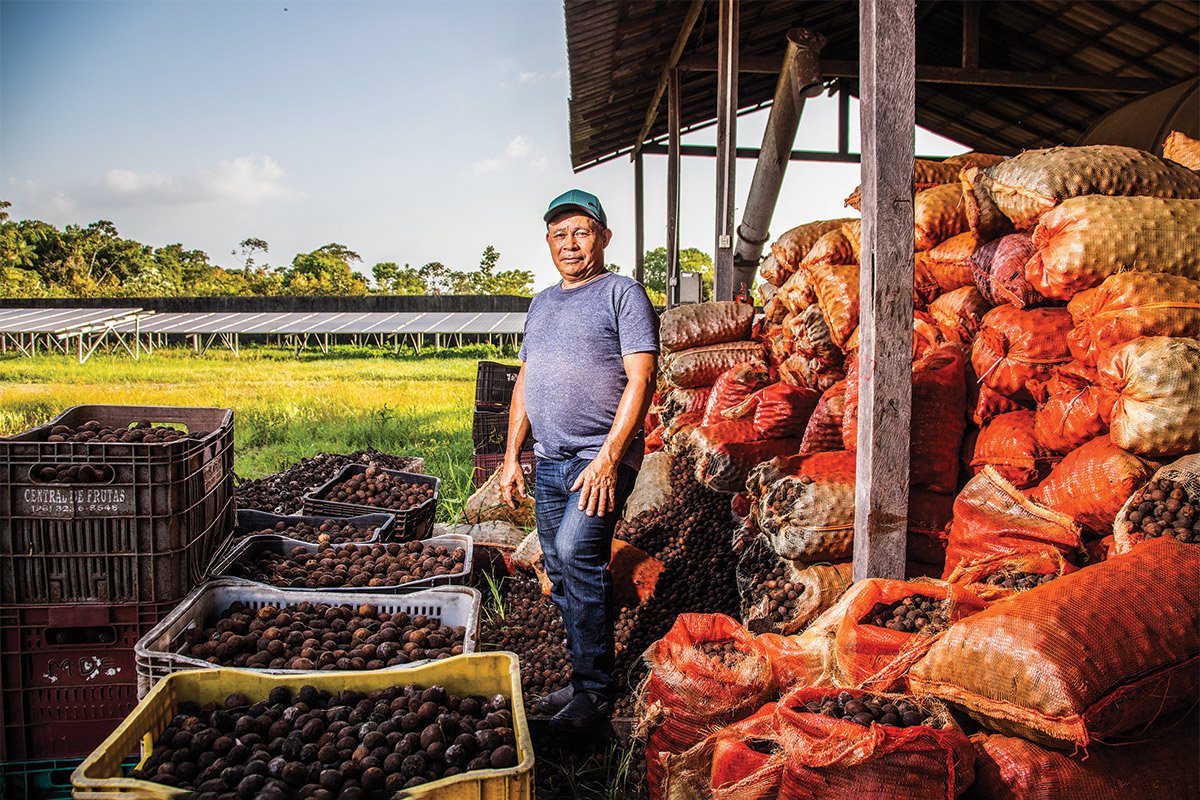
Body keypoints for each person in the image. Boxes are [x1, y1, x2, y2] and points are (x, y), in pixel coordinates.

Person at [499, 189, 658, 733]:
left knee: (576, 552)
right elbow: (526, 382)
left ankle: (595, 695)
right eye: (560, 234)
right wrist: (510, 457)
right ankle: (582, 677)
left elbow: (641, 378)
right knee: (559, 566)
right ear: (548, 242)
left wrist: (611, 458)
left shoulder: (623, 294)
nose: (570, 244)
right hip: (548, 460)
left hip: (600, 458)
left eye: (581, 232)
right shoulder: (541, 304)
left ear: (604, 238)